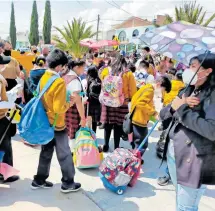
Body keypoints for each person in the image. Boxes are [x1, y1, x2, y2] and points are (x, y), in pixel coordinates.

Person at [160, 53, 215, 210]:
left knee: (186, 207)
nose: (187, 70)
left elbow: (211, 131)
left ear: (208, 71)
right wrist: (178, 105)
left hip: (194, 161)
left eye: (193, 66)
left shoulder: (212, 96)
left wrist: (183, 109)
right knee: (180, 200)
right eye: (189, 65)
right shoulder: (186, 90)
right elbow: (163, 115)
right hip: (174, 154)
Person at [31, 49, 81, 193]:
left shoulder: (44, 77)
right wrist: (70, 103)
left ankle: (39, 180)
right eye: (64, 66)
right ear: (60, 66)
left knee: (46, 152)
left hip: (45, 122)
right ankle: (68, 183)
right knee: (64, 154)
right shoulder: (58, 82)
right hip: (57, 124)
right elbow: (59, 108)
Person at [100, 55, 137, 152]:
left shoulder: (106, 71)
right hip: (122, 102)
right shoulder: (128, 73)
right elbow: (133, 90)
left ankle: (106, 145)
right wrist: (130, 99)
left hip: (107, 102)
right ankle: (116, 147)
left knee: (107, 124)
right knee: (118, 126)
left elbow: (102, 84)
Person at [0, 55, 19, 183]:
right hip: (1, 118)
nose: (4, 66)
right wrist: (10, 103)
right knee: (6, 147)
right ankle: (7, 175)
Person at [130, 76, 158, 162]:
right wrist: (153, 112)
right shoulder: (150, 90)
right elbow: (140, 103)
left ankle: (134, 158)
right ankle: (135, 161)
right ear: (159, 84)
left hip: (136, 117)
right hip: (140, 119)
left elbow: (136, 98)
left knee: (136, 141)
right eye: (163, 90)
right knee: (142, 143)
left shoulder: (146, 87)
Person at [64, 60, 87, 140]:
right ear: (77, 67)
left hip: (66, 109)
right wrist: (83, 118)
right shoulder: (75, 80)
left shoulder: (65, 76)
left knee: (67, 135)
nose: (84, 70)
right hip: (73, 111)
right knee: (73, 138)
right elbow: (77, 101)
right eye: (83, 67)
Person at [86, 65, 101, 133]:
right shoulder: (99, 80)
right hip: (98, 102)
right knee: (95, 120)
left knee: (89, 118)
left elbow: (87, 92)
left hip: (90, 102)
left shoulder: (89, 80)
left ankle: (89, 132)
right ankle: (94, 133)